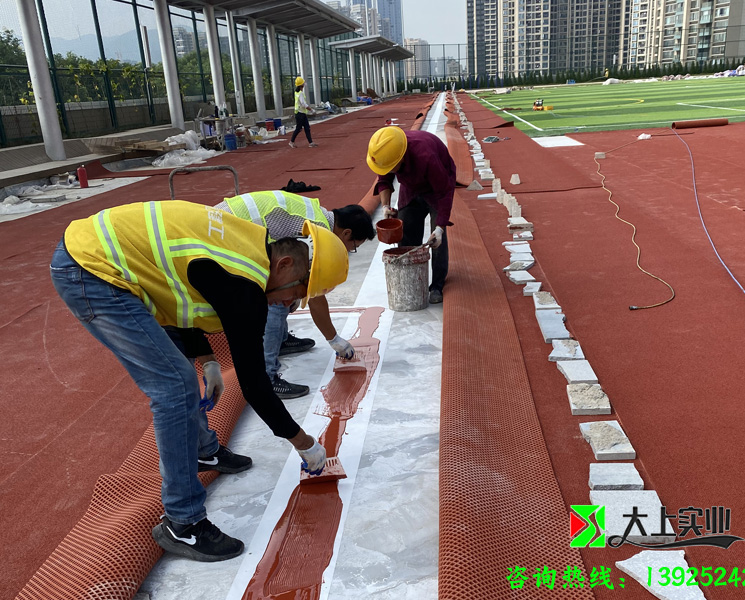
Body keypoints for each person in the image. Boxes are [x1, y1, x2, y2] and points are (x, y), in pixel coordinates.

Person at [50, 200, 349, 562]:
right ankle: (184, 522)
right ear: (285, 265)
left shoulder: (250, 248)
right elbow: (255, 385)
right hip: (93, 270)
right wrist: (305, 444)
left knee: (180, 376)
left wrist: (208, 360)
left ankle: (203, 452)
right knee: (175, 387)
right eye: (297, 293)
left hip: (106, 255)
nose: (291, 305)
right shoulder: (246, 285)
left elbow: (179, 287)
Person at [216, 191, 375, 399]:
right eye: (353, 247)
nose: (348, 251)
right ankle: (267, 377)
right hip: (225, 232)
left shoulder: (319, 216)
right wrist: (334, 340)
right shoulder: (319, 234)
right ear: (346, 233)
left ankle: (281, 340)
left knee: (287, 291)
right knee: (277, 300)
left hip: (225, 221)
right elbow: (315, 294)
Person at [366, 126, 456, 304]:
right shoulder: (386, 153)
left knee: (437, 240)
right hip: (411, 186)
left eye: (392, 168)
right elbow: (384, 179)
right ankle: (410, 278)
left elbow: (444, 193)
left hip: (437, 186)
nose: (390, 170)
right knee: (406, 227)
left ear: (401, 158)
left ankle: (437, 285)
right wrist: (385, 206)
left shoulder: (426, 156)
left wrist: (440, 227)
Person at [289, 76, 317, 148]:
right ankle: (291, 141)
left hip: (301, 113)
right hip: (300, 114)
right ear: (301, 85)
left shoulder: (296, 92)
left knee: (307, 128)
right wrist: (311, 110)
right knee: (299, 128)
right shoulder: (300, 93)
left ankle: (311, 142)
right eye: (303, 83)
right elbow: (303, 104)